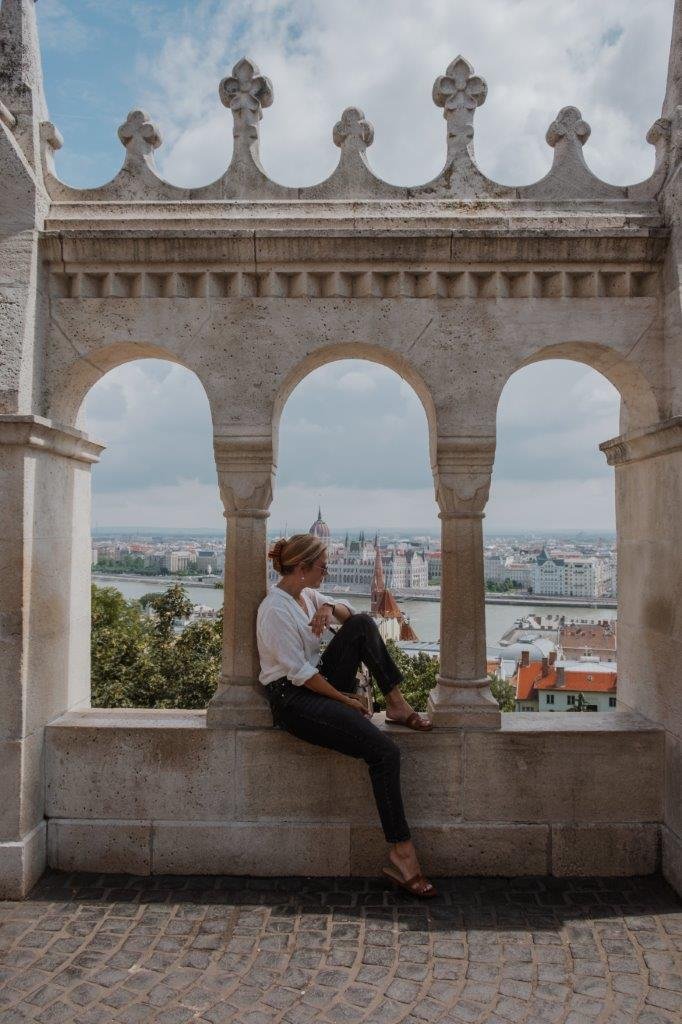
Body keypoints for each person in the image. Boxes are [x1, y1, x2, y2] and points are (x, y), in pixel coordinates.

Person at [256, 533, 436, 898]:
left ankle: (397, 703)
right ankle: (403, 855)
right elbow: (299, 675)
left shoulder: (305, 595)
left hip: (315, 681)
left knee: (364, 625)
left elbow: (352, 616)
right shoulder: (275, 610)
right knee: (385, 753)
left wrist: (328, 607)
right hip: (295, 701)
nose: (328, 570)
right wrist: (345, 699)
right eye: (323, 566)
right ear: (303, 569)